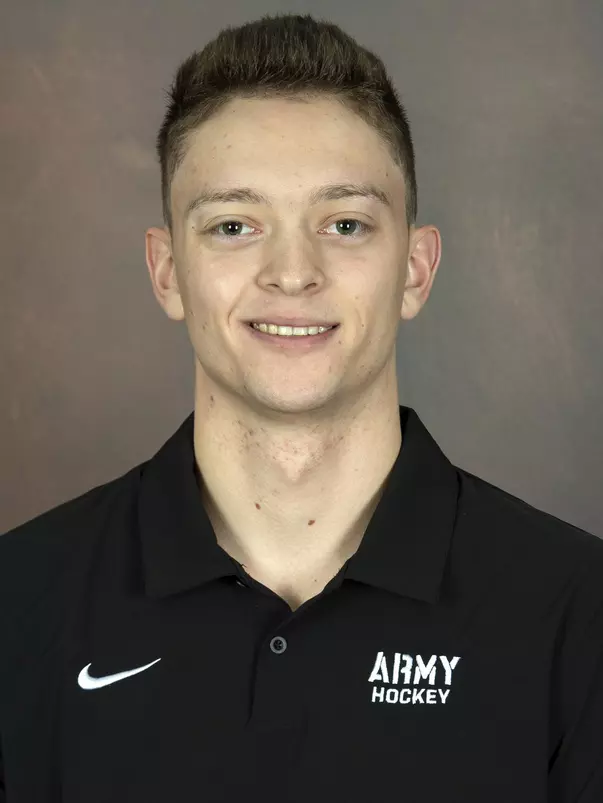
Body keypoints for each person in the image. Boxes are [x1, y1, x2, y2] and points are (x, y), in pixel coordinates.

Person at [1, 11, 602, 803]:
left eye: (345, 223)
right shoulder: (18, 603)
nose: (292, 271)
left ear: (416, 269)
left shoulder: (577, 615)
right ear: (167, 271)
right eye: (234, 225)